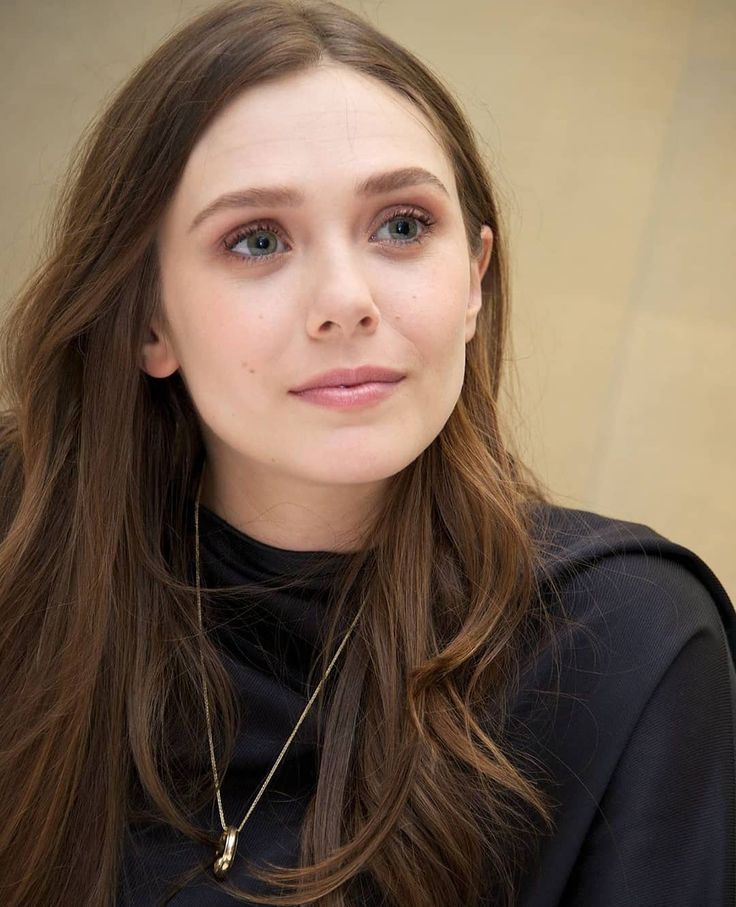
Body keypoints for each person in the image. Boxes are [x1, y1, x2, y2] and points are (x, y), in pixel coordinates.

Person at [0, 1, 733, 905]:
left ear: (474, 279)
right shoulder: (20, 556)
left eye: (402, 225)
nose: (346, 301)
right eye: (257, 240)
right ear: (148, 318)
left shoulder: (626, 641)